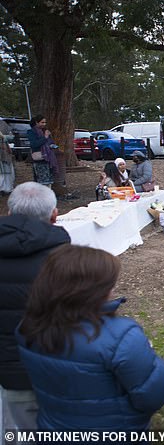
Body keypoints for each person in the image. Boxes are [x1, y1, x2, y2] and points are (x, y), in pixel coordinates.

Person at [16, 245, 164, 431]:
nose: (113, 290)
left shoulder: (27, 328)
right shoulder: (121, 338)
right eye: (108, 285)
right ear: (89, 291)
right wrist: (150, 356)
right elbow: (156, 394)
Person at [0, 182, 70, 434]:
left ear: (9, 213)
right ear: (54, 215)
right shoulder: (67, 260)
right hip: (53, 367)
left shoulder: (64, 256)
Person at [26, 115, 58, 186]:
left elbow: (50, 142)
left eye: (45, 122)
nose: (44, 124)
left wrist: (52, 145)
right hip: (39, 158)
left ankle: (48, 194)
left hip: (48, 158)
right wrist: (45, 137)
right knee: (41, 180)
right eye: (42, 122)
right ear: (36, 123)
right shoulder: (31, 132)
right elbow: (34, 144)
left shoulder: (44, 131)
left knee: (49, 180)